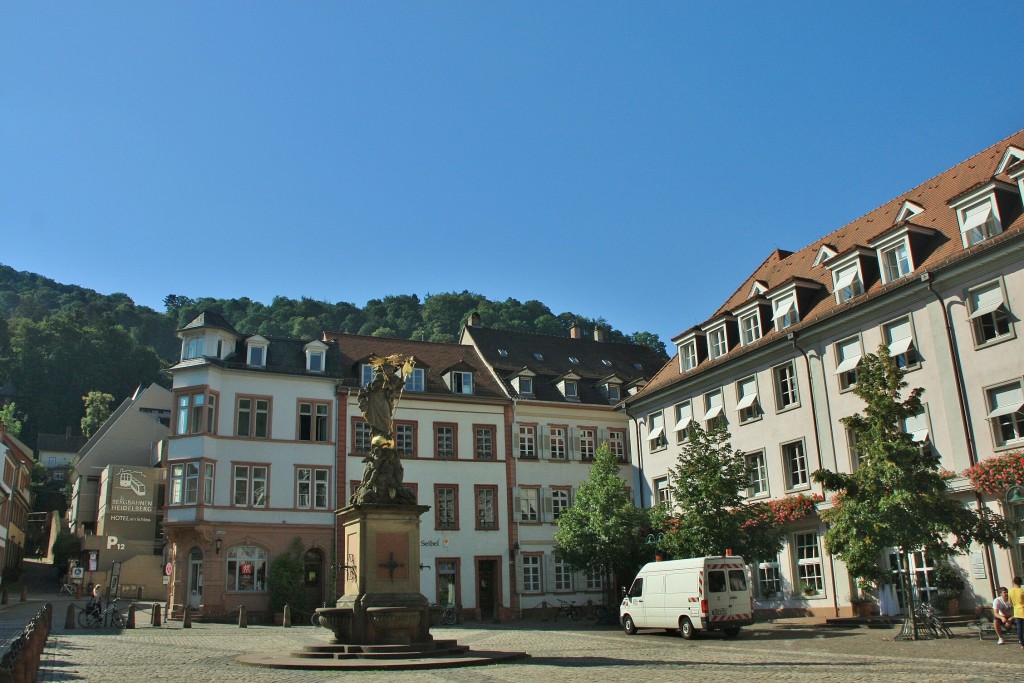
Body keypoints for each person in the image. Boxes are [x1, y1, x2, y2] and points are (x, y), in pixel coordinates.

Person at [1008, 577, 1024, 649]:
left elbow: (1009, 602)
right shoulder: (1022, 590)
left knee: (1019, 627)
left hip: (1017, 611)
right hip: (1023, 609)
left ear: (1013, 582)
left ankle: (1022, 643)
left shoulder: (1010, 591)